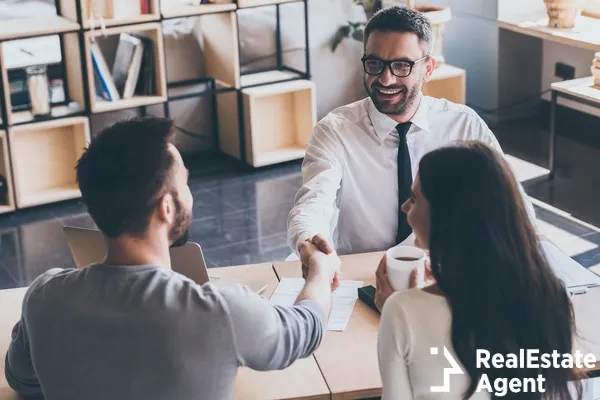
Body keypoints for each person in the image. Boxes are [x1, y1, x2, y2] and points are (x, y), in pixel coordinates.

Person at [4, 116, 341, 400]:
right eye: (186, 184)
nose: (190, 195)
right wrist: (320, 272)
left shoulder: (44, 297)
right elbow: (305, 329)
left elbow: (20, 378)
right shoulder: (220, 311)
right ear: (167, 207)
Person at [287, 6, 535, 258]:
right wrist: (309, 241)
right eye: (375, 63)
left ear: (428, 69)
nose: (385, 79)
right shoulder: (334, 130)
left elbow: (513, 204)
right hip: (361, 270)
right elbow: (314, 199)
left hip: (442, 268)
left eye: (401, 66)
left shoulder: (463, 125)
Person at [375, 141, 584, 400]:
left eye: (415, 199)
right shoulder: (552, 297)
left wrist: (397, 313)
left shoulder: (402, 311)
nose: (406, 207)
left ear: (446, 217)